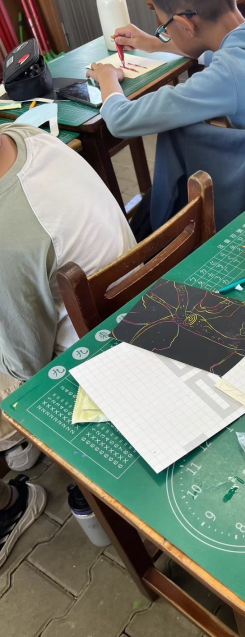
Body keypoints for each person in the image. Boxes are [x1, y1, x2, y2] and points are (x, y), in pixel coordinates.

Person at [0, 123, 136, 565]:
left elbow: (25, 366)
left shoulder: (9, 234)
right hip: (136, 305)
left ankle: (14, 474)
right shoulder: (27, 136)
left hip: (97, 363)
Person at [85, 0, 245, 166]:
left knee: (180, 137)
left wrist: (108, 78)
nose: (163, 33)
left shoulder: (230, 73)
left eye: (164, 28)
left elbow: (121, 120)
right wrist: (152, 43)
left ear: (185, 25)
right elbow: (213, 51)